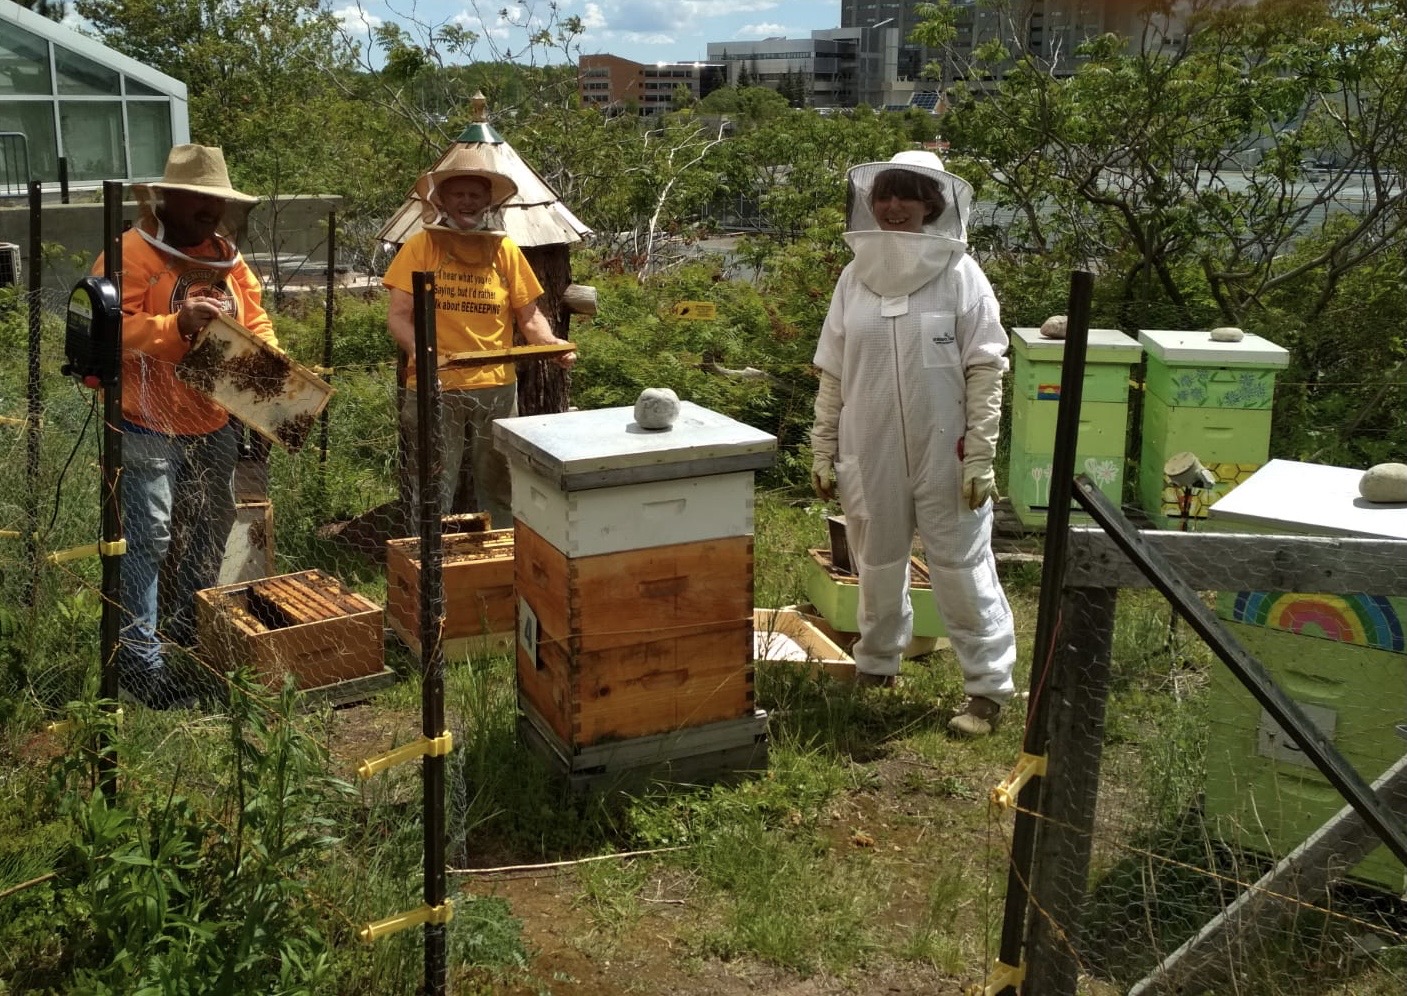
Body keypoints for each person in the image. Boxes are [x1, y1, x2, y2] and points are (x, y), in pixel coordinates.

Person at [809, 150, 1016, 737]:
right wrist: (823, 447)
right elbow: (834, 373)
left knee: (960, 564)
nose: (893, 206)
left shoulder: (960, 274)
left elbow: (985, 368)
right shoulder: (854, 277)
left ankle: (987, 690)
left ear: (933, 205)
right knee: (875, 558)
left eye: (907, 195)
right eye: (885, 195)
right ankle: (876, 665)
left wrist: (980, 454)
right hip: (868, 446)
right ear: (870, 204)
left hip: (945, 449)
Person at [95, 143, 275, 709]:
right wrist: (175, 324)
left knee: (213, 526)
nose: (210, 211)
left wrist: (272, 371)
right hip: (145, 420)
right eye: (198, 199)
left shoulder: (228, 259)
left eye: (217, 201)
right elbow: (107, 330)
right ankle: (139, 662)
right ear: (166, 200)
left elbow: (257, 319)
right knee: (147, 538)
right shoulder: (127, 254)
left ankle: (188, 628)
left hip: (213, 419)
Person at [384, 147, 574, 529]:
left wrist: (550, 343)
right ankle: (427, 558)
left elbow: (528, 315)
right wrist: (420, 352)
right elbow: (398, 316)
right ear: (442, 200)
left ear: (488, 201)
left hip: (496, 386)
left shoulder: (504, 249)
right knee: (432, 483)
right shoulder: (421, 246)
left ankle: (502, 553)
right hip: (435, 385)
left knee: (500, 483)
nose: (467, 202)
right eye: (459, 194)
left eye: (475, 194)